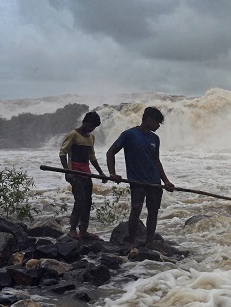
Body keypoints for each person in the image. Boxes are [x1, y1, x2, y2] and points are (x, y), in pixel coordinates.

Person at [106, 106, 175, 251]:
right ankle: (132, 242)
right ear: (148, 120)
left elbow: (157, 161)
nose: (158, 126)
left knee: (153, 212)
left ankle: (149, 242)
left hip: (154, 182)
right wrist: (112, 173)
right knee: (136, 211)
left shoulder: (155, 138)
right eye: (157, 123)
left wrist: (166, 181)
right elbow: (110, 152)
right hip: (137, 181)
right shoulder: (129, 134)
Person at [59, 111, 108, 239]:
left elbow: (92, 156)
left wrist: (101, 173)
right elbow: (63, 153)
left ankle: (83, 230)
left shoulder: (91, 137)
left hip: (86, 173)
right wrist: (67, 171)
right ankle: (72, 229)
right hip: (74, 173)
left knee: (88, 201)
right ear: (84, 122)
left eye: (94, 127)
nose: (91, 129)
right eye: (90, 126)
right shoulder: (73, 135)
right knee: (80, 200)